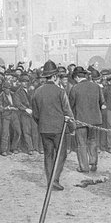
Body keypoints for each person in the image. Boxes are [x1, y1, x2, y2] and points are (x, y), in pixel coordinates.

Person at [31, 60, 75, 191]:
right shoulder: (60, 92)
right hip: (59, 129)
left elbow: (35, 113)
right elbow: (67, 111)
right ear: (55, 76)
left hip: (44, 129)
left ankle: (50, 180)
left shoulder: (37, 92)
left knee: (48, 154)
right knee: (61, 154)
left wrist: (41, 123)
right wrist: (72, 128)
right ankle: (55, 179)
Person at [68, 66, 105, 173]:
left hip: (80, 120)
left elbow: (71, 106)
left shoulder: (74, 88)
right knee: (92, 141)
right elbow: (102, 102)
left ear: (76, 77)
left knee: (81, 143)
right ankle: (93, 163)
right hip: (94, 120)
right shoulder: (96, 87)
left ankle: (84, 167)